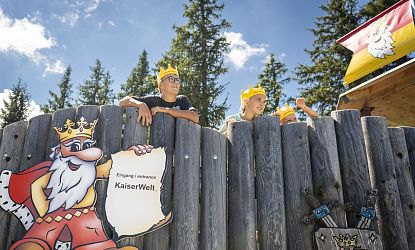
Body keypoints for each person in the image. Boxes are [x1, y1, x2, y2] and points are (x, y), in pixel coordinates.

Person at [0, 117, 151, 250]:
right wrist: (44, 212)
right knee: (32, 245)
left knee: (97, 246)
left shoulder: (90, 172)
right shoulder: (54, 174)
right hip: (50, 222)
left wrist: (129, 155)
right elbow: (36, 187)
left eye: (85, 146)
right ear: (60, 151)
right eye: (74, 146)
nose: (80, 155)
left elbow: (109, 168)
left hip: (87, 224)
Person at [119, 64, 199, 125]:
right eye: (171, 79)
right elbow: (123, 101)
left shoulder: (182, 100)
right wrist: (141, 105)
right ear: (161, 85)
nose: (176, 82)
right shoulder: (154, 101)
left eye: (177, 80)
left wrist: (164, 110)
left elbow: (195, 117)